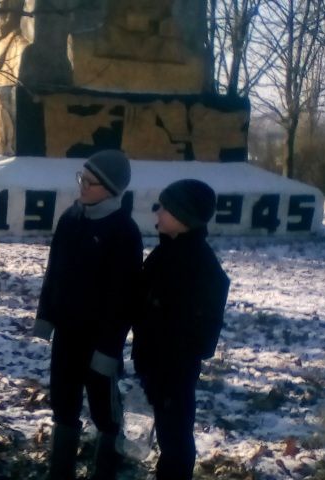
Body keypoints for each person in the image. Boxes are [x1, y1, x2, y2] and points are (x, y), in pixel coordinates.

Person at [33, 150, 143, 480]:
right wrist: (46, 315)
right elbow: (54, 271)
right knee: (63, 403)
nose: (81, 185)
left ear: (110, 189)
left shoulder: (124, 231)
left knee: (103, 409)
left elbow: (123, 299)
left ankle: (105, 468)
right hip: (66, 333)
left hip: (99, 340)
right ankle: (60, 471)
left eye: (90, 182)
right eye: (82, 177)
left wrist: (108, 349)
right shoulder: (71, 218)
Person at [131, 179, 230, 480]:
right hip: (155, 365)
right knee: (168, 434)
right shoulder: (167, 252)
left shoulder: (198, 263)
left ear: (183, 217)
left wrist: (173, 355)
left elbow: (203, 328)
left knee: (175, 440)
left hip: (174, 369)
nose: (157, 212)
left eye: (164, 208)